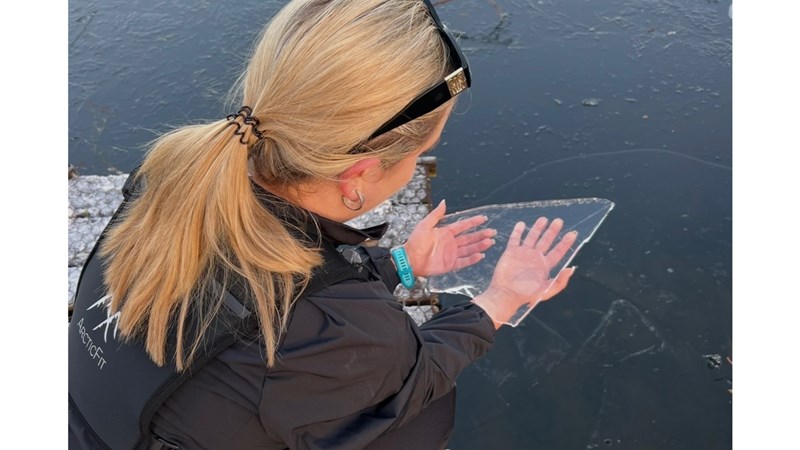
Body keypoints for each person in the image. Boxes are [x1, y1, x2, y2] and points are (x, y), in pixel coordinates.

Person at [68, 0, 578, 448]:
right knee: (418, 421)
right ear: (358, 177)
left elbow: (277, 294)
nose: (418, 163)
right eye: (421, 151)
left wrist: (402, 264)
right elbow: (406, 386)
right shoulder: (343, 331)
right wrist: (498, 301)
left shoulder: (173, 181)